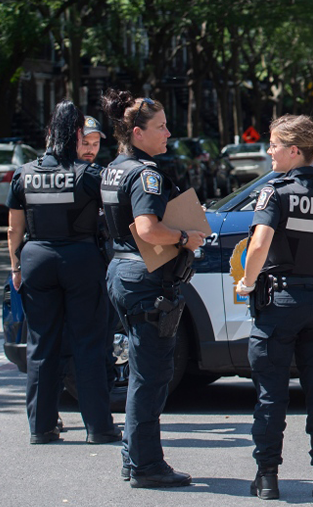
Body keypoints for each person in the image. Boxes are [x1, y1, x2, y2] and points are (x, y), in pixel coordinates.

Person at [234, 114, 313, 500]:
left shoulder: (275, 192)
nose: (269, 151)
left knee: (271, 393)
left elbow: (259, 244)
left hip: (279, 304)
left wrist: (248, 281)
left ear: (295, 151)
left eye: (274, 145)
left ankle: (267, 477)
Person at [100, 90, 207, 487]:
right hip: (145, 277)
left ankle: (135, 458)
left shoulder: (114, 168)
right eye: (160, 127)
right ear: (137, 132)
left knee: (143, 371)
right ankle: (146, 465)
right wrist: (184, 237)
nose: (168, 133)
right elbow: (147, 229)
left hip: (122, 271)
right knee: (152, 375)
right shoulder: (145, 174)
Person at [5, 101, 118, 445]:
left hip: (36, 259)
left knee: (41, 344)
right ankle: (98, 427)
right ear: (77, 134)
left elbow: (14, 229)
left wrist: (15, 267)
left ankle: (41, 428)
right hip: (81, 260)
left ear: (50, 132)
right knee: (88, 343)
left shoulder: (24, 173)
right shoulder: (88, 174)